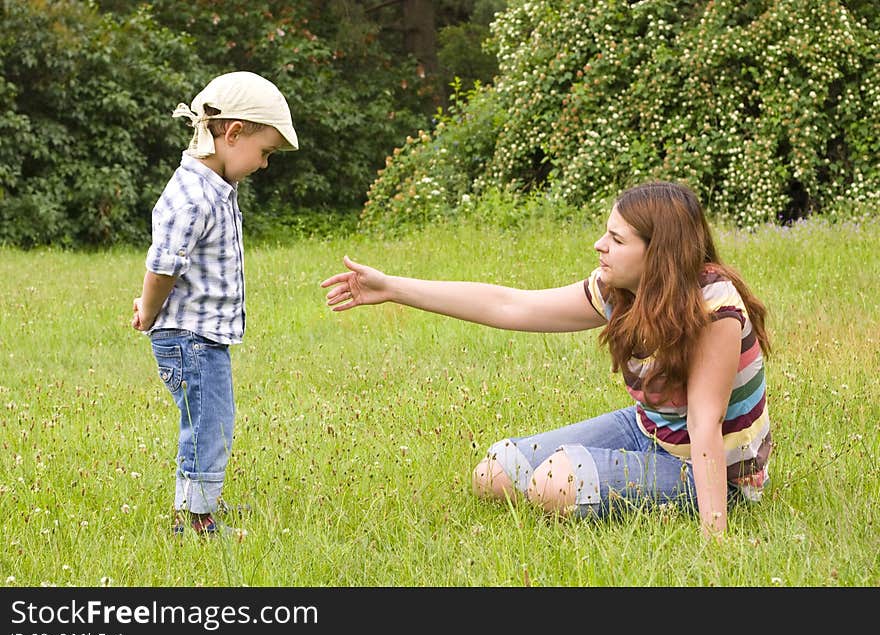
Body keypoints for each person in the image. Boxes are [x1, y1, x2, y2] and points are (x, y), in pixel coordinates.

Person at [321, 181, 772, 539]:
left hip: (717, 471)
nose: (600, 245)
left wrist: (716, 537)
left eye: (616, 239)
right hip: (649, 429)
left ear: (658, 254)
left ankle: (713, 502)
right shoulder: (620, 291)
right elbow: (509, 305)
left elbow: (705, 424)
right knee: (496, 473)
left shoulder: (713, 308)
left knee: (555, 482)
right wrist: (393, 288)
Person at [131, 71, 299, 535]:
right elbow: (164, 265)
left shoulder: (213, 188)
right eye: (264, 152)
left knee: (211, 422)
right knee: (208, 426)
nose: (264, 164)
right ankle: (196, 521)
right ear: (233, 133)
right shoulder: (192, 196)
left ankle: (202, 504)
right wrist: (148, 309)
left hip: (203, 335)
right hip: (191, 337)